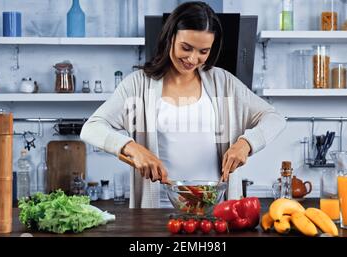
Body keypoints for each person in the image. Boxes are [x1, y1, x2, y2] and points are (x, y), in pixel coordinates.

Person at [80, 1, 286, 208]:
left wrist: (246, 144)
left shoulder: (223, 83)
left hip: (215, 207)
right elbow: (91, 128)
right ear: (170, 38)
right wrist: (131, 147)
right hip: (158, 208)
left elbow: (274, 118)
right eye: (186, 48)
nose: (192, 58)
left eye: (203, 51)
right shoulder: (138, 84)